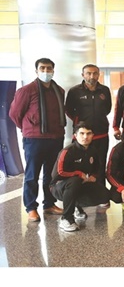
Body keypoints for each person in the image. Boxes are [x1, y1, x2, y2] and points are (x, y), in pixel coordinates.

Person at [9, 57, 65, 222]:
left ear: (53, 71)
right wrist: (28, 128)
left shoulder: (59, 91)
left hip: (55, 138)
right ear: (36, 71)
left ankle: (49, 204)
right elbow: (14, 114)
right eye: (42, 68)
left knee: (51, 175)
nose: (46, 72)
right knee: (32, 175)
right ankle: (31, 207)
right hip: (34, 140)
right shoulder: (26, 90)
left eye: (49, 68)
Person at [50, 122, 110, 232]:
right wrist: (79, 174)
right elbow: (59, 173)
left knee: (104, 194)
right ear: (75, 135)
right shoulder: (67, 151)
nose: (85, 137)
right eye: (82, 133)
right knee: (75, 181)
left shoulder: (93, 151)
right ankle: (66, 218)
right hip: (58, 187)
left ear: (93, 135)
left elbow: (96, 169)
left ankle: (77, 208)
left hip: (80, 183)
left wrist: (91, 177)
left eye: (89, 133)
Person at [65, 64, 112, 188]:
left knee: (100, 164)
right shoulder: (74, 91)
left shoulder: (105, 90)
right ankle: (81, 194)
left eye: (95, 73)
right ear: (83, 75)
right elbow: (69, 110)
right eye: (88, 73)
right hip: (82, 136)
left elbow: (107, 109)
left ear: (99, 74)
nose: (92, 76)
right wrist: (80, 123)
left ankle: (101, 192)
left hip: (101, 134)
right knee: (80, 165)